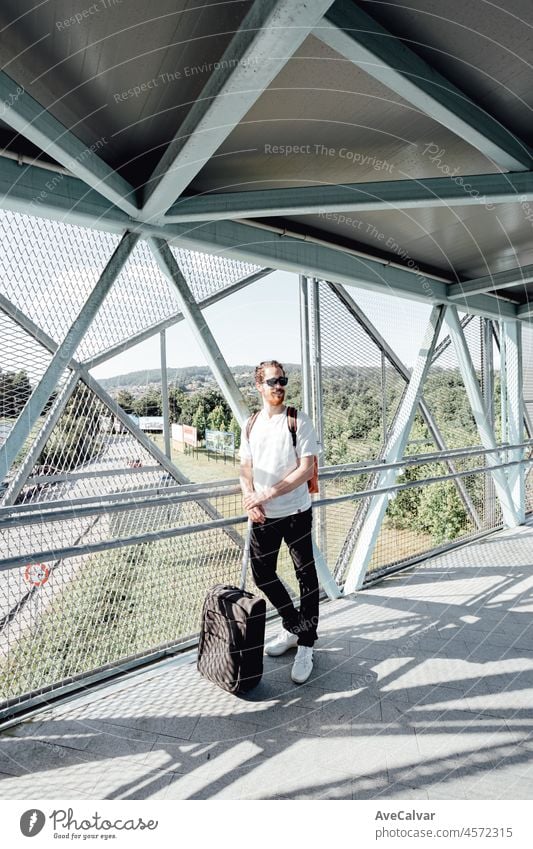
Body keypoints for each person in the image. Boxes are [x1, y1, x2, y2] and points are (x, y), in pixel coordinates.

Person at [239, 360, 319, 684]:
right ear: (259, 386)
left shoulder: (298, 420)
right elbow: (245, 468)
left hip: (296, 512)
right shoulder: (251, 424)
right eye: (272, 381)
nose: (279, 386)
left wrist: (267, 493)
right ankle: (294, 627)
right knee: (262, 574)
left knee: (306, 576)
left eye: (282, 380)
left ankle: (307, 645)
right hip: (264, 515)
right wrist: (250, 500)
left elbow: (306, 468)